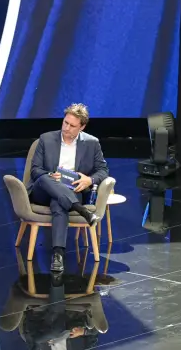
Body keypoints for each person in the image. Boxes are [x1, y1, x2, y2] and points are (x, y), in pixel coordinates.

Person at [28, 103, 109, 273]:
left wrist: (89, 180)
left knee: (59, 203)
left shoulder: (92, 143)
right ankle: (82, 210)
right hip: (43, 189)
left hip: (71, 190)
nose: (66, 128)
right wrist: (51, 176)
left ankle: (58, 254)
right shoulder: (46, 139)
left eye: (72, 126)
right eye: (65, 122)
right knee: (44, 178)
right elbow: (35, 170)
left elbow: (103, 170)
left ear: (82, 127)